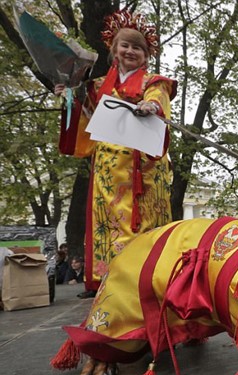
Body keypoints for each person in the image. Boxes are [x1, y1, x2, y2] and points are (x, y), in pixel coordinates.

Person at [54, 10, 177, 299]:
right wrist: (69, 96)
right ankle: (109, 279)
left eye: (137, 47)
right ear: (114, 50)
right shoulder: (97, 87)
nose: (131, 51)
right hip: (108, 170)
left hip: (142, 168)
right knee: (107, 223)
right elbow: (88, 118)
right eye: (125, 45)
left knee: (144, 223)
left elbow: (158, 99)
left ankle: (148, 279)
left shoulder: (153, 81)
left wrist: (151, 107)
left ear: (146, 56)